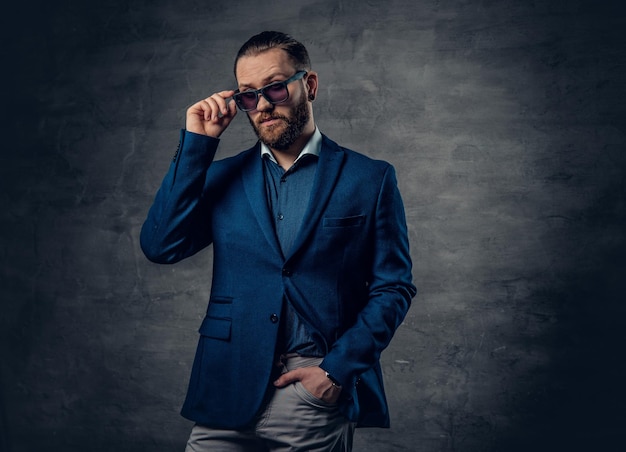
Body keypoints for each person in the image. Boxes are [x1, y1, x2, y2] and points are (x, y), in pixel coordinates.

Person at [140, 31, 416, 452]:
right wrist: (199, 144)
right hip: (225, 386)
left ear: (309, 85)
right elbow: (161, 245)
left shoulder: (370, 178)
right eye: (248, 95)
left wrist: (335, 372)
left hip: (313, 390)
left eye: (274, 87)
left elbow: (393, 287)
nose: (263, 104)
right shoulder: (220, 177)